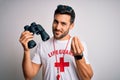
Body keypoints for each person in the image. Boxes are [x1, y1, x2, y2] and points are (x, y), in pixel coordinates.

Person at [19, 4, 93, 80]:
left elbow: (87, 78)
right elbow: (28, 76)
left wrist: (78, 56)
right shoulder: (42, 45)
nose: (57, 27)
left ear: (71, 26)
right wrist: (26, 50)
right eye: (56, 22)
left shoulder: (78, 45)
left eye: (63, 24)